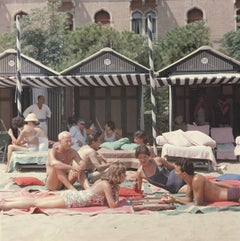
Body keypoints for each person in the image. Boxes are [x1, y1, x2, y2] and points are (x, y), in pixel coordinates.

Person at [0, 161, 127, 210]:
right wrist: (117, 192)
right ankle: (4, 205)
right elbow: (113, 205)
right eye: (124, 174)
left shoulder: (102, 182)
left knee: (37, 200)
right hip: (74, 200)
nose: (125, 177)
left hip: (74, 196)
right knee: (36, 203)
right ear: (118, 175)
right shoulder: (107, 185)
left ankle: (6, 200)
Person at [161, 159, 240, 205]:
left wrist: (176, 200)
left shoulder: (196, 180)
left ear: (184, 174)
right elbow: (188, 199)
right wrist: (173, 198)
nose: (174, 173)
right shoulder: (189, 180)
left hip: (234, 195)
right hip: (232, 193)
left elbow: (198, 204)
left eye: (176, 171)